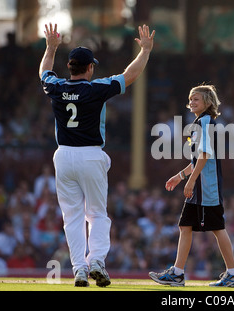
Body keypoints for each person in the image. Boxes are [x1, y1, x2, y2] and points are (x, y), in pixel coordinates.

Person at [39, 23, 155, 287]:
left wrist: (50, 47)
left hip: (64, 156)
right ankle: (97, 262)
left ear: (70, 67)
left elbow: (44, 72)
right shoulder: (96, 88)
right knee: (97, 215)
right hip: (91, 155)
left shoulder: (56, 87)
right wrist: (145, 51)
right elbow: (130, 75)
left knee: (73, 218)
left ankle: (79, 269)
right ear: (90, 68)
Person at [149, 85, 234, 287]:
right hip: (202, 186)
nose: (192, 102)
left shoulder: (205, 122)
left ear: (208, 103)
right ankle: (178, 273)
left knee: (217, 227)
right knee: (185, 226)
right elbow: (197, 159)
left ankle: (233, 273)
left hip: (206, 187)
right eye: (190, 99)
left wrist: (191, 181)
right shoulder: (200, 122)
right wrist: (180, 176)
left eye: (196, 99)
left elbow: (204, 155)